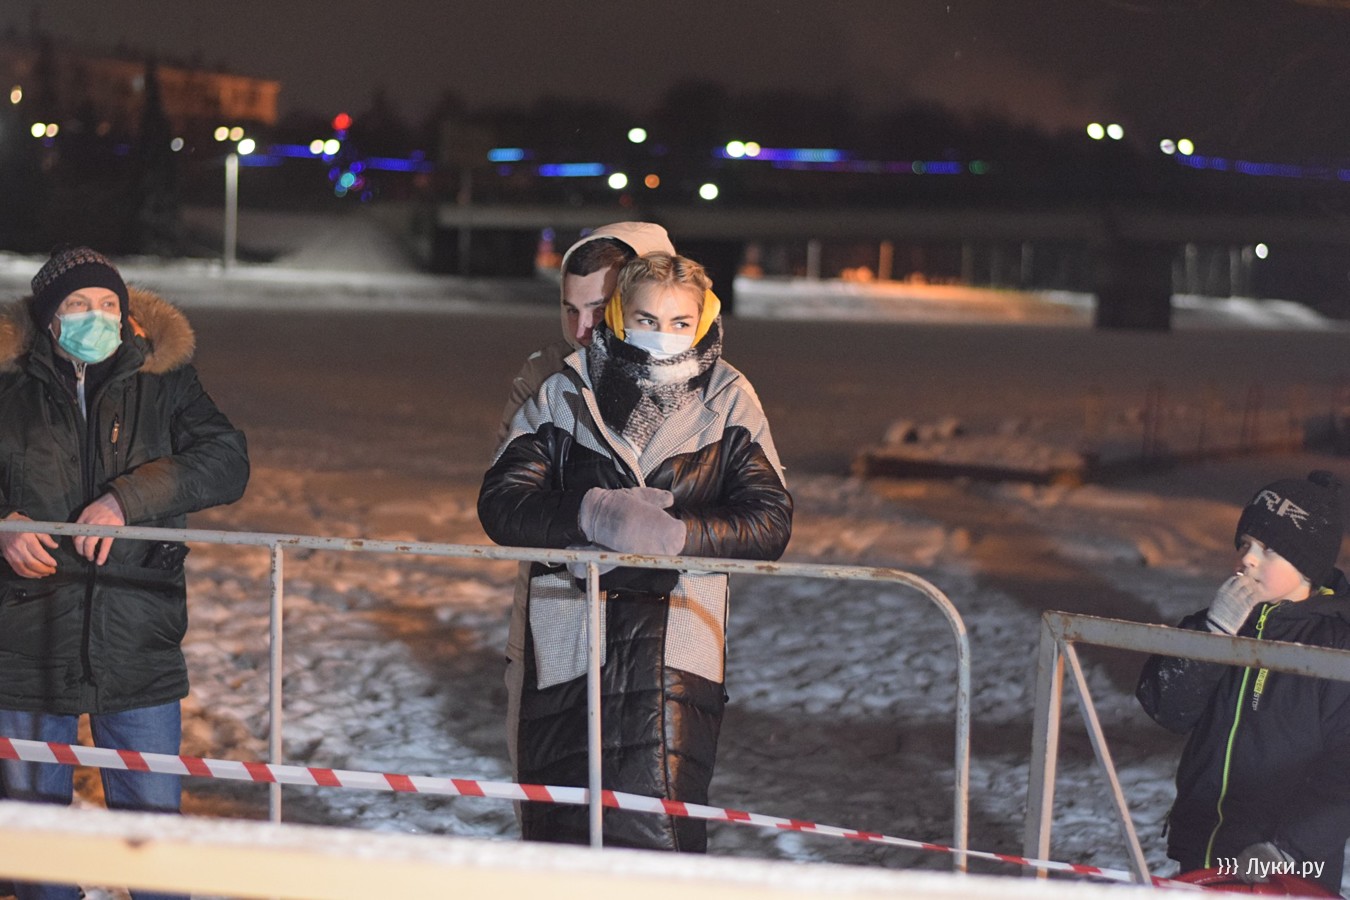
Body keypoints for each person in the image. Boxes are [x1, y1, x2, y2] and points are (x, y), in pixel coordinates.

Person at [479, 251, 792, 851]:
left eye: (680, 322)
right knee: (563, 834)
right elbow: (502, 503)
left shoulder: (728, 397)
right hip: (573, 636)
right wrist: (590, 512)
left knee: (660, 836)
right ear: (621, 316)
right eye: (647, 320)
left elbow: (769, 520)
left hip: (676, 644)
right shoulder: (565, 390)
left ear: (703, 321)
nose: (662, 336)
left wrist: (680, 536)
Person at [0, 247, 250, 900]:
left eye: (109, 303)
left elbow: (226, 458)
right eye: (79, 304)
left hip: (138, 631)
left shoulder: (162, 379)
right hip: (27, 636)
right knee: (36, 841)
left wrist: (128, 499)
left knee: (152, 838)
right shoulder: (8, 383)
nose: (97, 316)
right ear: (48, 317)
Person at [497, 221, 674, 777]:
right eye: (569, 310)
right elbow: (511, 500)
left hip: (665, 633)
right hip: (555, 620)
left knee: (648, 802)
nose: (580, 329)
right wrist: (593, 514)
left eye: (597, 309)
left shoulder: (713, 388)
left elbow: (751, 514)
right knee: (549, 796)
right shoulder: (543, 375)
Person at [1137, 470, 1350, 895]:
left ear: (1307, 564)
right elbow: (1168, 707)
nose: (1248, 559)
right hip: (1205, 846)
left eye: (1268, 549)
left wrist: (1287, 847)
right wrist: (1213, 636)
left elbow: (1344, 770)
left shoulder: (1336, 646)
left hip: (1289, 867)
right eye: (1246, 544)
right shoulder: (1218, 622)